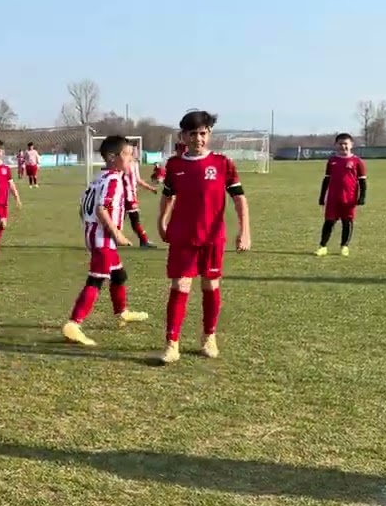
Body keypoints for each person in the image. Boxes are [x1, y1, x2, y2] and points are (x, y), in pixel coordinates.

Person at [157, 110, 251, 365]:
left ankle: (209, 337)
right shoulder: (174, 165)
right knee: (180, 287)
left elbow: (239, 198)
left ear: (209, 134)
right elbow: (168, 195)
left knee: (210, 286)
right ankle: (171, 343)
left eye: (203, 133)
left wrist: (245, 230)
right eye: (193, 134)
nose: (198, 138)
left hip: (212, 238)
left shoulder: (222, 164)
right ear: (183, 136)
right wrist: (161, 221)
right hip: (182, 238)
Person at [64, 136, 148, 347]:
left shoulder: (98, 177)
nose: (132, 159)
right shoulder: (113, 180)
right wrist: (117, 234)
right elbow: (101, 209)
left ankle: (121, 312)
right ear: (112, 157)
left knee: (118, 275)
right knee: (97, 279)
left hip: (95, 234)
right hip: (103, 237)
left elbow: (83, 206)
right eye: (127, 155)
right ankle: (74, 323)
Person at [316, 133, 367, 257]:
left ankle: (344, 246)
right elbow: (326, 179)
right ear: (336, 145)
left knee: (347, 222)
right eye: (340, 144)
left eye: (346, 144)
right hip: (333, 198)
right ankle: (323, 246)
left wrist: (362, 197)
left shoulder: (357, 161)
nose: (343, 146)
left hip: (349, 198)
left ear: (351, 145)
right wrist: (322, 196)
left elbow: (362, 181)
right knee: (329, 222)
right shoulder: (332, 161)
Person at [122, 147, 159, 248]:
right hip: (126, 196)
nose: (137, 152)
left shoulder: (135, 164)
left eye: (137, 150)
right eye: (134, 150)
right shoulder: (123, 164)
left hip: (131, 195)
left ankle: (113, 238)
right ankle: (144, 241)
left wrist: (150, 188)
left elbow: (138, 180)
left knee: (124, 218)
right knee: (134, 219)